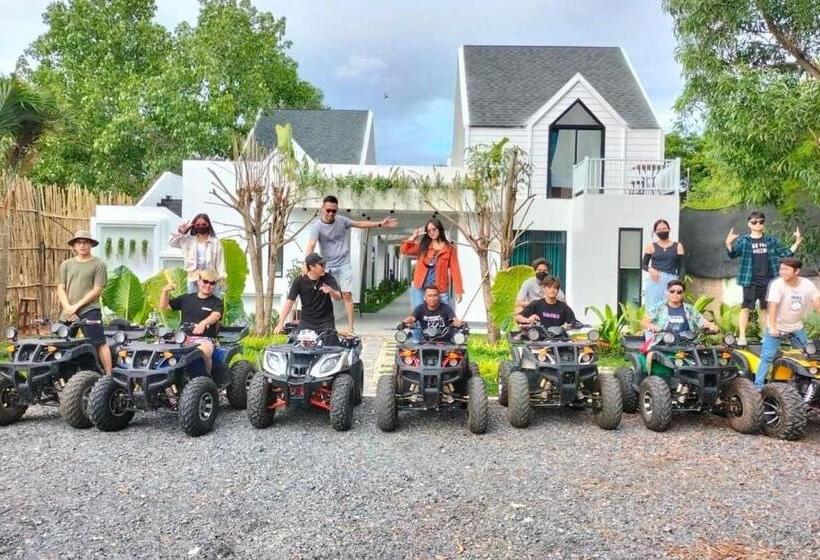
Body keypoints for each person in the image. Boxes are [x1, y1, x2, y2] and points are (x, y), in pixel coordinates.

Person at [305, 195, 397, 333]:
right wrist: (306, 264)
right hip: (327, 266)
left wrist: (380, 224)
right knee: (324, 294)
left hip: (344, 264)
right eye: (328, 210)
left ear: (337, 210)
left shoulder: (342, 221)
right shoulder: (316, 226)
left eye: (334, 211)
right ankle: (322, 325)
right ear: (322, 208)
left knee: (346, 294)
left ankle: (351, 328)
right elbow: (311, 245)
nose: (330, 213)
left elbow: (359, 224)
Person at [726, 211, 802, 345]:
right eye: (754, 222)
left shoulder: (770, 240)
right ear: (749, 224)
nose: (758, 224)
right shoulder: (745, 241)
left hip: (768, 280)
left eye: (760, 221)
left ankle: (765, 336)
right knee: (745, 308)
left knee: (765, 309)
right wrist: (728, 244)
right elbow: (733, 254)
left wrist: (797, 242)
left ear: (763, 223)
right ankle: (742, 336)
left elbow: (785, 253)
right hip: (750, 280)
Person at [754, 257, 820, 388]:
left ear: (796, 271)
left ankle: (803, 385)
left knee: (809, 355)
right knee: (767, 357)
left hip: (796, 328)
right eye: (781, 268)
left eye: (786, 269)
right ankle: (758, 387)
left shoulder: (807, 285)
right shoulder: (777, 284)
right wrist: (773, 328)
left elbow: (817, 304)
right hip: (777, 327)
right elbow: (772, 307)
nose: (782, 271)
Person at [57, 230, 112, 374]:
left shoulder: (98, 264)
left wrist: (76, 306)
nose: (82, 245)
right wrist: (68, 307)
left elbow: (97, 289)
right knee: (59, 344)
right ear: (74, 246)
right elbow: (61, 287)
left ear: (91, 245)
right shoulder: (66, 264)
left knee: (99, 342)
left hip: (89, 310)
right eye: (79, 242)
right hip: (68, 311)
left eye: (85, 242)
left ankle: (109, 376)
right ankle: (60, 379)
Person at [642, 279, 718, 372]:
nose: (675, 294)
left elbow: (701, 321)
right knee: (653, 360)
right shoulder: (659, 307)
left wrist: (711, 325)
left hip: (687, 343)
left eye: (679, 292)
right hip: (664, 343)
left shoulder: (689, 309)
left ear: (683, 294)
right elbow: (644, 322)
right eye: (672, 291)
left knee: (708, 358)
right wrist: (652, 326)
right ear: (667, 292)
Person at [159, 270, 223, 374]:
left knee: (204, 351)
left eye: (212, 283)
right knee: (157, 346)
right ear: (199, 281)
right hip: (182, 338)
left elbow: (216, 315)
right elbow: (165, 306)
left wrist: (203, 323)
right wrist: (165, 292)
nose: (208, 285)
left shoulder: (216, 302)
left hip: (204, 338)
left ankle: (206, 378)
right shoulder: (186, 298)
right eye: (205, 281)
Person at [400, 217, 464, 310]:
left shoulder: (450, 249)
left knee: (443, 318)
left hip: (440, 288)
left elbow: (455, 270)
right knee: (419, 319)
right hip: (420, 288)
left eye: (434, 229)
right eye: (429, 230)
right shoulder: (423, 246)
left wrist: (459, 290)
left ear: (440, 229)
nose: (431, 232)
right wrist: (414, 237)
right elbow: (404, 250)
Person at [275, 253, 342, 337]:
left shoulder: (328, 278)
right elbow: (289, 302)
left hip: (326, 321)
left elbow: (339, 297)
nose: (324, 267)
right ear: (312, 267)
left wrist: (331, 291)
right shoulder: (300, 281)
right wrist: (281, 323)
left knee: (329, 346)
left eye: (324, 264)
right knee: (300, 346)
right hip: (307, 321)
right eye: (321, 265)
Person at [169, 213, 226, 295]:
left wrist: (223, 278)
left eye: (204, 224)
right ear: (194, 226)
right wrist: (181, 232)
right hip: (193, 278)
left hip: (211, 280)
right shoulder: (188, 240)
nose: (201, 227)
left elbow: (220, 263)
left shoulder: (215, 243)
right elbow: (172, 243)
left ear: (209, 225)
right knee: (194, 304)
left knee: (213, 304)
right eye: (198, 225)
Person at [642, 219, 685, 312]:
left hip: (672, 280)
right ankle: (652, 327)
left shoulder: (678, 245)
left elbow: (682, 266)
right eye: (659, 229)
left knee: (671, 308)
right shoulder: (651, 246)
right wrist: (650, 269)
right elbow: (643, 264)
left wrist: (680, 283)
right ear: (655, 232)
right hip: (655, 280)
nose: (662, 231)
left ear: (669, 229)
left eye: (664, 228)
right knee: (652, 309)